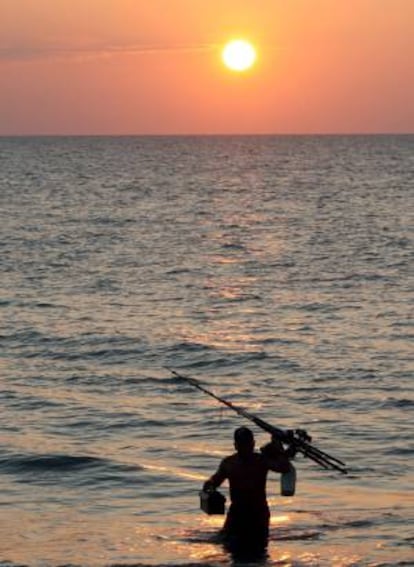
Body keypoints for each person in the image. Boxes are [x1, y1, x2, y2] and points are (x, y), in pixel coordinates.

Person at [203, 426, 293, 560]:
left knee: (258, 553)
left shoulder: (261, 460)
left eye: (247, 444)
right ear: (235, 445)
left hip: (258, 514)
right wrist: (210, 489)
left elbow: (284, 467)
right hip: (237, 514)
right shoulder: (229, 463)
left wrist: (278, 445)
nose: (245, 448)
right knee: (230, 550)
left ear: (253, 444)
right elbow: (213, 482)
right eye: (241, 445)